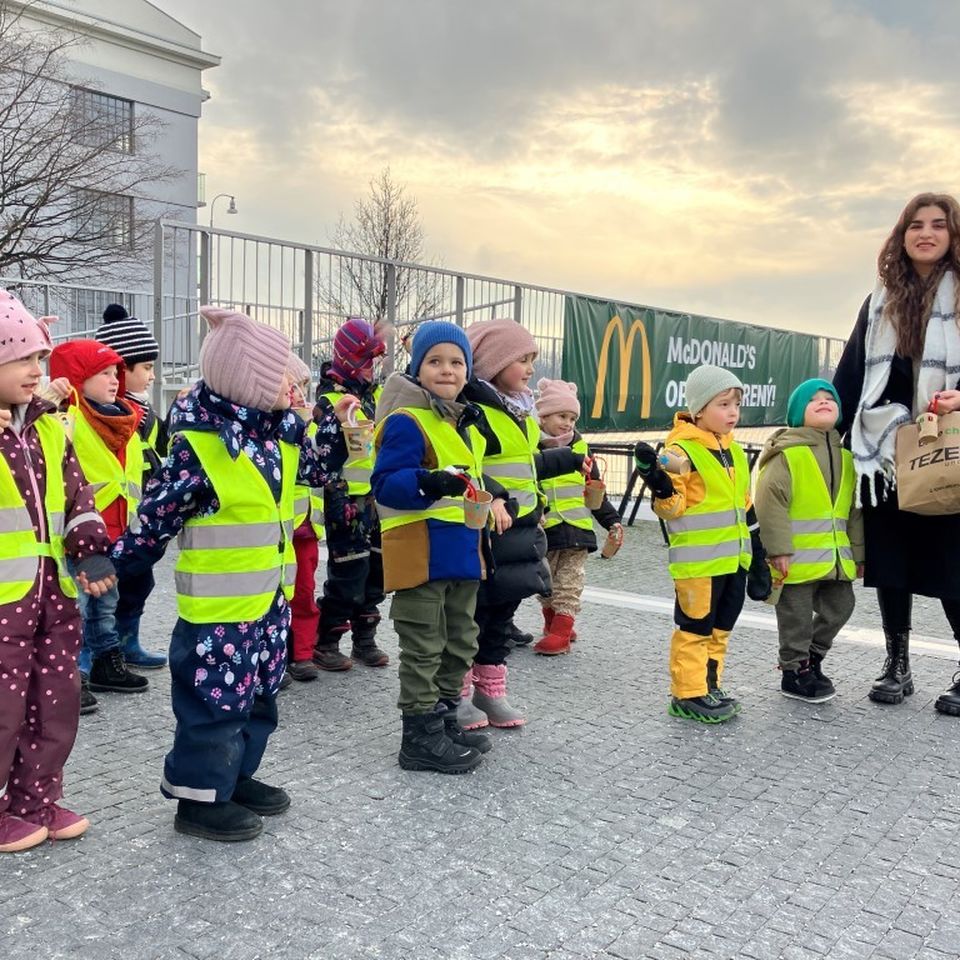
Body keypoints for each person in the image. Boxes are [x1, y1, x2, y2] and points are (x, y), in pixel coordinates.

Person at [110, 306, 348, 841]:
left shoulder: (278, 439)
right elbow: (155, 517)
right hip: (217, 611)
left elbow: (321, 470)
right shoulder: (202, 447)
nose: (295, 380)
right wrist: (115, 565)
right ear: (252, 384)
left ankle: (235, 778)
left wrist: (331, 421)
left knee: (259, 695)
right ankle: (198, 801)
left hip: (267, 603)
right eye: (284, 373)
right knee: (212, 703)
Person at [833, 192, 960, 715]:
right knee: (893, 564)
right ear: (901, 235)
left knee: (954, 564)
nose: (925, 233)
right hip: (887, 451)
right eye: (915, 225)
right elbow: (853, 369)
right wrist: (823, 422)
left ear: (953, 235)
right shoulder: (880, 298)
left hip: (947, 448)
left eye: (937, 225)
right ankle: (897, 664)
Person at [0, 290, 116, 852]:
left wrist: (90, 547)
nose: (35, 371)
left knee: (55, 702)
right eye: (20, 359)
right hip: (3, 605)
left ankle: (34, 798)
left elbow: (77, 497)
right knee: (3, 710)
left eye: (38, 358)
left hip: (52, 598)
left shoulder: (49, 429)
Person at [372, 321, 494, 773]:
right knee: (424, 645)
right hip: (421, 555)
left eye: (456, 362)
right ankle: (419, 735)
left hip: (461, 554)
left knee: (460, 642)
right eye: (435, 361)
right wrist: (429, 481)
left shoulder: (462, 423)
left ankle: (442, 719)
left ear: (468, 370)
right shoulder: (408, 420)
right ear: (417, 367)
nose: (447, 369)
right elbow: (385, 484)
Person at [459, 318, 583, 729]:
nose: (530, 368)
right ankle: (458, 692)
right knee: (470, 617)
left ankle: (490, 690)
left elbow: (526, 464)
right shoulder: (476, 412)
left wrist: (567, 458)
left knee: (501, 616)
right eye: (521, 360)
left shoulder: (521, 412)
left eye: (532, 359)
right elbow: (468, 467)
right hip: (487, 532)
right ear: (494, 363)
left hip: (523, 532)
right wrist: (493, 494)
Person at [635, 364, 771, 724]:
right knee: (695, 629)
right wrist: (658, 482)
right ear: (698, 409)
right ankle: (687, 693)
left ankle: (709, 684)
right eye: (723, 404)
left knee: (721, 629)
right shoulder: (680, 450)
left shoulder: (735, 451)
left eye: (736, 404)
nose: (733, 413)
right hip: (698, 566)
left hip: (732, 561)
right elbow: (672, 507)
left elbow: (745, 505)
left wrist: (758, 556)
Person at [48, 339, 150, 698]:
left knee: (107, 601)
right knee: (77, 604)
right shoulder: (66, 418)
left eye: (115, 373)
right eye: (103, 373)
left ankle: (107, 660)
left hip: (117, 531)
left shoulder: (124, 420)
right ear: (76, 379)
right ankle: (73, 671)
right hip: (78, 535)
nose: (113, 381)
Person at [755, 379, 864, 702]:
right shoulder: (787, 454)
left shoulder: (846, 458)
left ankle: (812, 657)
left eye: (829, 398)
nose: (822, 401)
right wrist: (778, 550)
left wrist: (858, 554)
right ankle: (794, 671)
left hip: (834, 559)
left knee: (842, 607)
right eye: (812, 400)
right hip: (795, 560)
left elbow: (854, 510)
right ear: (796, 414)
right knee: (795, 618)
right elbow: (769, 500)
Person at [93, 303, 168, 670]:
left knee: (139, 583)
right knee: (105, 590)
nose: (153, 376)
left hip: (139, 518)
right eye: (147, 368)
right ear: (123, 370)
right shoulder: (112, 414)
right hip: (110, 517)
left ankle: (127, 641)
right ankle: (101, 649)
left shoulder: (145, 412)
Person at [313, 317, 388, 671]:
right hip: (344, 500)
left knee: (377, 568)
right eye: (366, 361)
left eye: (375, 362)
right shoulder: (329, 400)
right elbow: (323, 454)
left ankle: (365, 637)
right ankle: (326, 640)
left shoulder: (375, 397)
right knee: (348, 571)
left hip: (375, 499)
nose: (372, 369)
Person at [533, 378, 622, 655]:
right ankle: (554, 623)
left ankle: (560, 631)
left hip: (577, 531)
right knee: (544, 584)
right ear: (544, 416)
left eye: (572, 417)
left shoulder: (582, 450)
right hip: (546, 531)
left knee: (569, 583)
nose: (568, 422)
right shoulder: (532, 450)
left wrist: (612, 521)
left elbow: (595, 492)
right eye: (562, 416)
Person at [286, 354, 326, 682]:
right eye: (293, 387)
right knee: (276, 594)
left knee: (304, 591)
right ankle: (276, 654)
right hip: (279, 529)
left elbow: (318, 472)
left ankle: (301, 653)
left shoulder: (310, 428)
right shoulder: (273, 431)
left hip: (306, 528)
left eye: (303, 386)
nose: (300, 395)